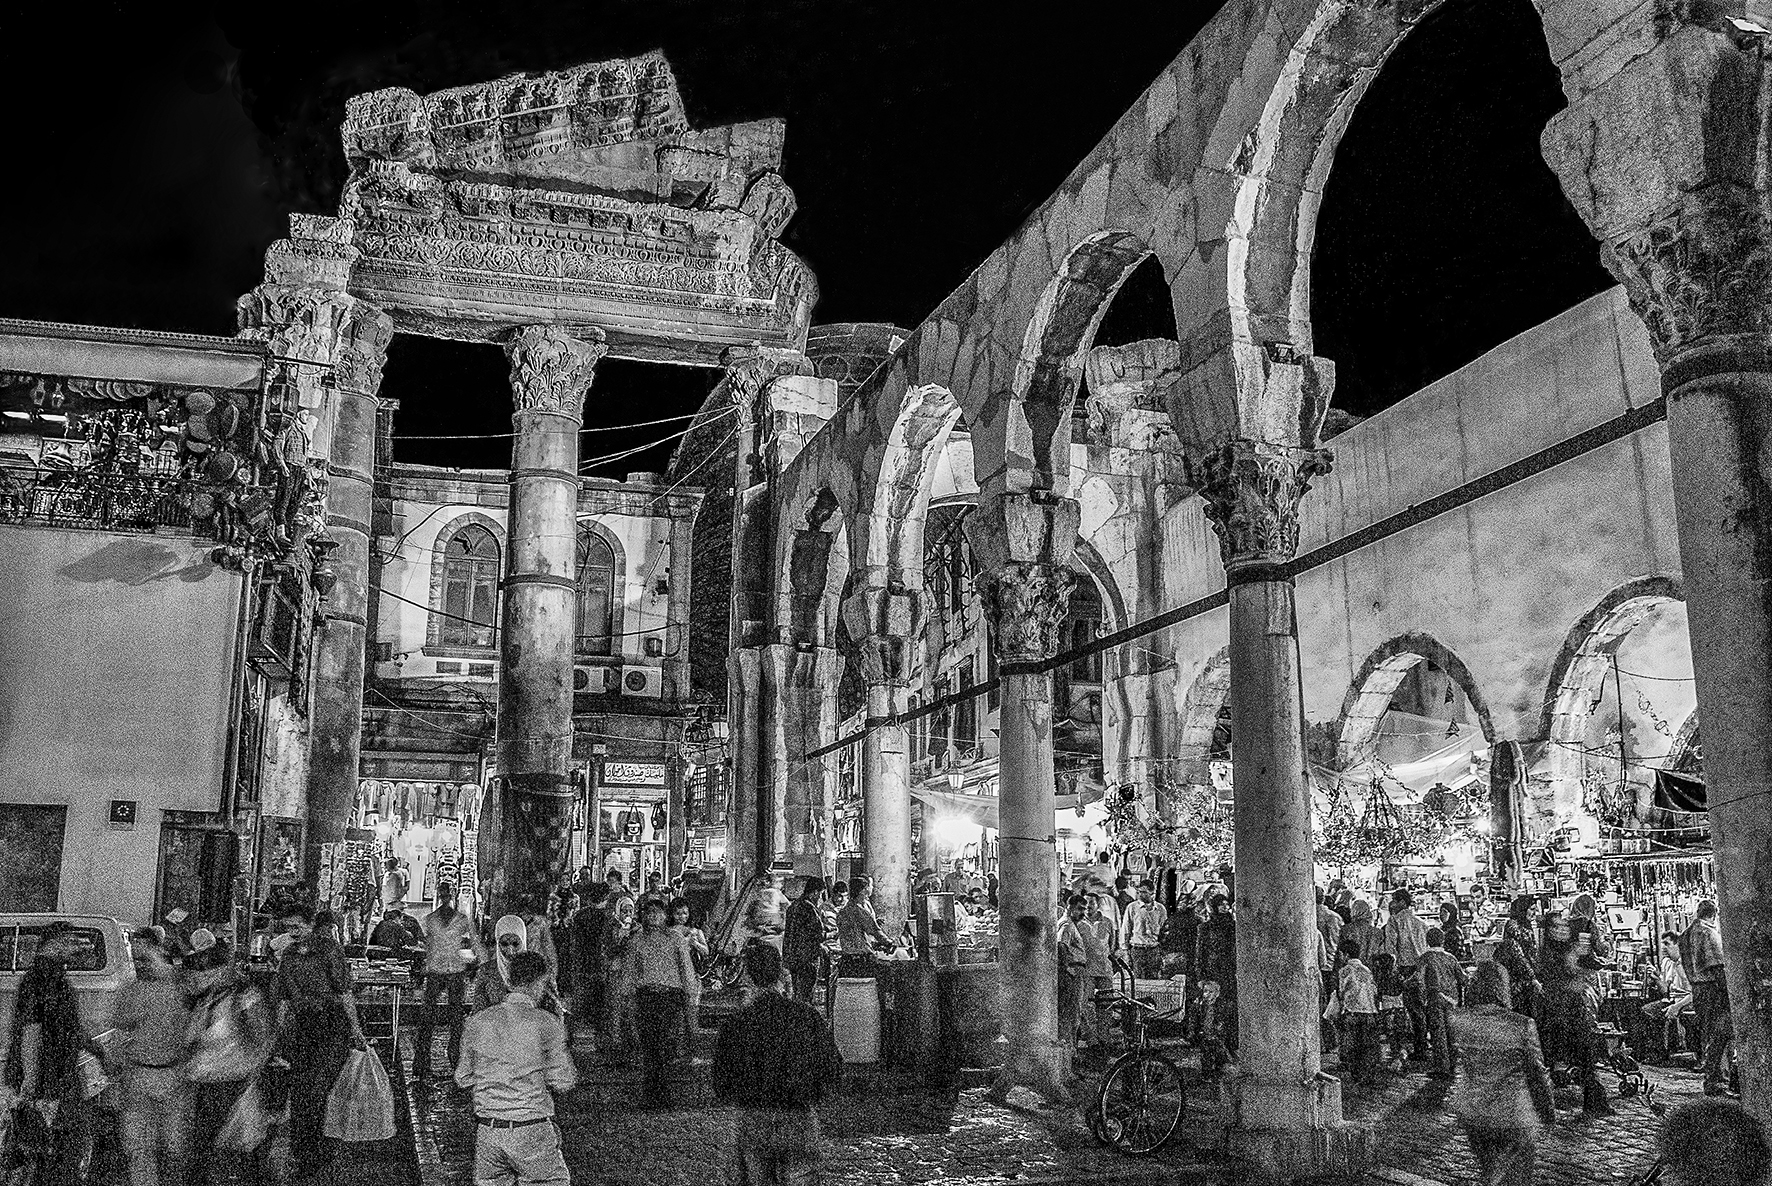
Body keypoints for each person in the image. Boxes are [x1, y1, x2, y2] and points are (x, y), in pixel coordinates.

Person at [711, 942, 843, 1186]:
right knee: (801, 1177)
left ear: (748, 976)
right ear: (780, 973)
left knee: (756, 1177)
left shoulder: (737, 1023)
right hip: (798, 1114)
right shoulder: (806, 1016)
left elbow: (721, 1081)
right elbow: (832, 1067)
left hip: (755, 1116)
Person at [456, 950, 577, 1186]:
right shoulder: (545, 1023)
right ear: (539, 982)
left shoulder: (477, 1022)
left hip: (488, 1132)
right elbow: (563, 1080)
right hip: (530, 1129)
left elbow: (463, 1077)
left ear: (509, 980)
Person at [270, 901, 368, 1180]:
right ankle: (304, 1153)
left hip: (331, 1024)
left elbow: (344, 991)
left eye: (297, 926)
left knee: (317, 1089)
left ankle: (317, 1151)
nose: (294, 932)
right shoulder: (287, 956)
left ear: (310, 924)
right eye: (288, 928)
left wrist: (355, 1028)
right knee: (301, 1091)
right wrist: (278, 1036)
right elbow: (284, 999)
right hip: (303, 1028)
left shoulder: (328, 950)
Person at [5, 923, 105, 1185]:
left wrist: (95, 1049)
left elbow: (64, 1028)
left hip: (57, 1079)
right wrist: (30, 1080)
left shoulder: (53, 978)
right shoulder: (40, 979)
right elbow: (31, 1030)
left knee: (53, 1152)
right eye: (70, 941)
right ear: (54, 942)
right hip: (49, 1082)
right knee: (51, 1153)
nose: (76, 947)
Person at [1447, 961, 1555, 1186]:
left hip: (1473, 1110)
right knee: (1516, 1177)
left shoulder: (1459, 1020)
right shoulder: (1521, 1025)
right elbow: (1536, 1071)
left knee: (1490, 1171)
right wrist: (1547, 1109)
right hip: (1512, 1113)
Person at [183, 940, 274, 1186]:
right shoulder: (206, 999)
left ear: (220, 969)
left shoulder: (244, 997)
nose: (196, 977)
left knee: (241, 1149)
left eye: (203, 971)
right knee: (203, 1150)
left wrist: (251, 1079)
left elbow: (263, 1039)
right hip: (205, 1082)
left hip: (232, 1083)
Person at [114, 932, 192, 1186]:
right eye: (136, 957)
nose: (140, 963)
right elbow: (122, 1024)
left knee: (173, 1148)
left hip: (173, 1074)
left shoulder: (182, 986)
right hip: (141, 1073)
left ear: (159, 952)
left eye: (145, 956)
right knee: (140, 1149)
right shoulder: (134, 989)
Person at [622, 898, 698, 1107]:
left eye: (658, 912)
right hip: (645, 996)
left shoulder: (675, 939)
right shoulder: (637, 940)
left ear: (665, 915)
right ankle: (651, 1092)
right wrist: (626, 997)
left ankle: (663, 1091)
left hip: (670, 996)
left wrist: (690, 995)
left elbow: (686, 968)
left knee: (665, 1044)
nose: (654, 916)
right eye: (649, 912)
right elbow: (629, 971)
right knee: (649, 1045)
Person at [414, 882, 484, 1078]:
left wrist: (482, 962)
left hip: (455, 970)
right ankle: (421, 1062)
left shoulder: (462, 919)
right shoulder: (430, 919)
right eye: (442, 894)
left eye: (447, 894)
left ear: (451, 895)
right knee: (427, 1016)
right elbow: (428, 944)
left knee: (456, 1016)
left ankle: (456, 1057)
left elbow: (475, 942)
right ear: (439, 895)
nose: (444, 897)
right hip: (436, 970)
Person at [1682, 900, 1734, 1096]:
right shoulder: (1708, 933)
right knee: (1719, 1035)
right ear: (1714, 914)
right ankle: (1717, 1080)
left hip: (1698, 990)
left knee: (1709, 1034)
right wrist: (1728, 992)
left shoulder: (1686, 934)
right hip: (1713, 989)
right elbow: (1718, 967)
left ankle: (1713, 1079)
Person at [1375, 888, 1429, 1062]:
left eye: (1394, 900)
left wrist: (1394, 970)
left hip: (1403, 969)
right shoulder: (1422, 923)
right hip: (1420, 969)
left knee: (1399, 1010)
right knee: (1418, 1009)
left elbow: (1391, 950)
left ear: (1403, 903)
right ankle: (1421, 1045)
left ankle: (1403, 1049)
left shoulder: (1394, 921)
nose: (1391, 904)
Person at [1418, 926, 1468, 1079]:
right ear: (1443, 940)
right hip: (1452, 1000)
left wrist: (1421, 997)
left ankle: (1442, 1067)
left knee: (1438, 1033)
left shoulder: (1425, 958)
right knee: (1451, 1032)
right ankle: (1454, 1064)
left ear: (1427, 941)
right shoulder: (1451, 958)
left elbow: (1419, 979)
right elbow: (1463, 978)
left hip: (1434, 999)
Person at [1336, 937, 1379, 1086]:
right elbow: (1374, 991)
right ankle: (1366, 1076)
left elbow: (1341, 992)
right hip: (1369, 1012)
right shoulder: (1367, 970)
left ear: (1346, 955)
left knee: (1352, 1047)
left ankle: (1357, 1075)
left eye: (1341, 954)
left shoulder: (1344, 970)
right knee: (1366, 1046)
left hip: (1352, 1012)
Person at [1494, 896, 1543, 1025]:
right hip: (1519, 982)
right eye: (1531, 909)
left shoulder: (1525, 926)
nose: (1534, 913)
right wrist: (1533, 978)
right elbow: (1518, 957)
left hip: (1526, 980)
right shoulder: (1514, 927)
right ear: (1522, 910)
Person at [1645, 930, 1694, 1058]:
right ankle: (1659, 1053)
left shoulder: (1687, 963)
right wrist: (1656, 978)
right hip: (1673, 1000)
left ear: (1678, 945)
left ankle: (1668, 1051)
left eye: (1667, 944)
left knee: (1666, 1014)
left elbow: (1693, 993)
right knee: (1647, 1011)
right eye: (1663, 944)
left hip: (1687, 1002)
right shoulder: (1667, 963)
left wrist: (1676, 1007)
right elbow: (1665, 991)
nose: (1664, 948)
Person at [783, 876, 825, 1005]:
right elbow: (817, 934)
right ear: (815, 892)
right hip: (807, 958)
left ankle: (796, 1017)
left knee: (797, 992)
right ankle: (803, 1020)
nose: (820, 898)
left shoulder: (793, 906)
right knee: (805, 995)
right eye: (821, 894)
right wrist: (831, 934)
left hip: (792, 958)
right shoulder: (809, 909)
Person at [1056, 896, 1089, 1051]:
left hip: (1075, 971)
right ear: (1070, 907)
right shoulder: (1067, 925)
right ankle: (1069, 1053)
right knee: (1071, 1015)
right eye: (1080, 909)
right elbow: (1061, 946)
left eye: (1084, 909)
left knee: (1074, 1014)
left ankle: (1070, 1051)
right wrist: (1067, 968)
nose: (1083, 912)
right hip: (1072, 973)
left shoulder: (1071, 924)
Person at [1119, 881, 1167, 980]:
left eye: (1144, 892)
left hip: (1153, 950)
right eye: (1139, 891)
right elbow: (1126, 929)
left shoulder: (1160, 909)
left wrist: (1162, 950)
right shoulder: (1132, 907)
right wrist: (1125, 951)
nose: (1140, 894)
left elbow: (1164, 930)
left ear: (1152, 893)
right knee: (1137, 980)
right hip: (1137, 950)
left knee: (1153, 980)